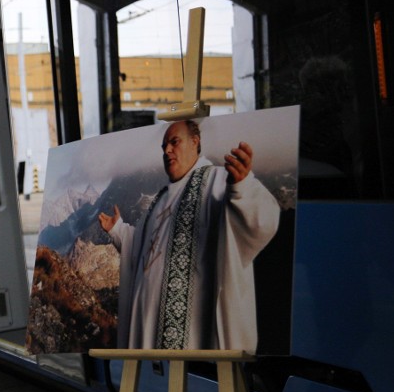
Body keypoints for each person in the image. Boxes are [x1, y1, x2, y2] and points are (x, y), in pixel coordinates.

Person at [99, 119, 280, 352]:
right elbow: (146, 246)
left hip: (193, 338)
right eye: (164, 146)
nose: (166, 150)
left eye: (174, 142)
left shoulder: (217, 179)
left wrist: (242, 189)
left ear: (195, 142)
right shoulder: (160, 198)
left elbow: (263, 219)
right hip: (147, 330)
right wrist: (118, 230)